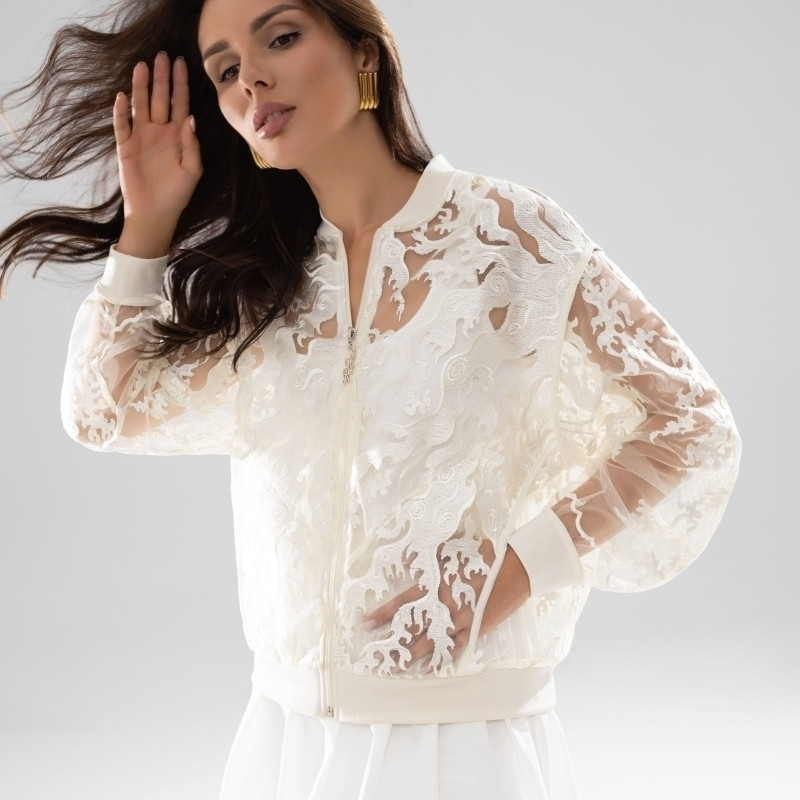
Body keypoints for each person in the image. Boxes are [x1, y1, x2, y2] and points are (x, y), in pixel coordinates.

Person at [0, 0, 742, 797]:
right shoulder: (263, 287)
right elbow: (101, 412)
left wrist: (511, 574)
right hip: (288, 744)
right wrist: (148, 223)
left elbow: (692, 422)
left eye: (281, 37)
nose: (251, 80)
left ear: (365, 57)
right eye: (225, 70)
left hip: (464, 744)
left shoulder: (512, 235)